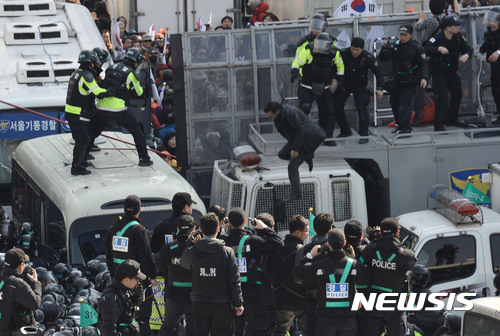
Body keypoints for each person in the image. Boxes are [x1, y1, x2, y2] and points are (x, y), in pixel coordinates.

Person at [179, 212, 244, 336]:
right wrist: (238, 303)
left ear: (201, 229)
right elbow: (234, 279)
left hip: (199, 302)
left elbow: (183, 262)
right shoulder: (227, 252)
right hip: (222, 303)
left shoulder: (195, 250)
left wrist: (191, 243)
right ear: (218, 229)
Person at [221, 207, 283, 336]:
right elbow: (278, 243)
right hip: (253, 291)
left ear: (229, 222)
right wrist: (265, 228)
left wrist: (224, 227)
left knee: (235, 328)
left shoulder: (223, 242)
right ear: (245, 221)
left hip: (230, 291)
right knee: (257, 327)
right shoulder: (253, 241)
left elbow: (210, 234)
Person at [295, 229, 368, 336]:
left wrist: (310, 255)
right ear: (344, 243)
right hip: (347, 319)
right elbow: (364, 279)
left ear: (328, 244)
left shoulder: (320, 265)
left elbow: (298, 275)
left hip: (325, 320)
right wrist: (353, 258)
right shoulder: (353, 265)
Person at [89, 48, 153, 167]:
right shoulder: (131, 73)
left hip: (102, 106)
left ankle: (85, 155)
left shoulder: (111, 67)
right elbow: (139, 93)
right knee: (137, 132)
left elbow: (105, 83)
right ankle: (144, 159)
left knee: (93, 131)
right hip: (118, 109)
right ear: (136, 62)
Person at [104, 195, 157, 336]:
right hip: (137, 280)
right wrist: (152, 277)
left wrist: (112, 275)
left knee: (122, 315)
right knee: (142, 317)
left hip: (118, 280)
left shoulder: (113, 228)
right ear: (139, 210)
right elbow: (147, 256)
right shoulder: (139, 230)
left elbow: (108, 254)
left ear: (124, 209)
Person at [360, 217, 417, 336]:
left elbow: (359, 265)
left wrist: (375, 240)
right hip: (395, 306)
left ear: (380, 232)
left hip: (374, 304)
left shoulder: (369, 250)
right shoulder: (406, 255)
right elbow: (411, 264)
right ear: (397, 233)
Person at [264, 102, 326, 201]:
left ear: (277, 111)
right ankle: (307, 156)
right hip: (298, 138)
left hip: (310, 138)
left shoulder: (290, 114)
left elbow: (301, 130)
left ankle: (296, 194)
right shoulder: (278, 117)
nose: (272, 119)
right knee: (282, 154)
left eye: (272, 116)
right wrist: (293, 146)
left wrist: (296, 149)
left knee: (292, 166)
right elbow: (288, 133)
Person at [291, 32, 344, 146]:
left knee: (330, 112)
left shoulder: (334, 52)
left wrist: (339, 80)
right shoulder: (308, 50)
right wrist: (294, 72)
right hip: (307, 84)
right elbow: (297, 61)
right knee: (305, 107)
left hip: (325, 85)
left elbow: (340, 66)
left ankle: (327, 137)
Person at [64, 50, 109, 175]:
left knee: (85, 139)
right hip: (79, 114)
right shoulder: (87, 76)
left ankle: (81, 162)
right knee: (82, 140)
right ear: (92, 63)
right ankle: (77, 167)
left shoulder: (77, 73)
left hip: (74, 113)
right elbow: (98, 93)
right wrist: (111, 90)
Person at [379, 24, 428, 135]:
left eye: (405, 35)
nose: (402, 37)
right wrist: (384, 49)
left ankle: (406, 128)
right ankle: (399, 125)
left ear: (411, 35)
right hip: (397, 79)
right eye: (401, 34)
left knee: (404, 103)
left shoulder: (417, 47)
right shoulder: (395, 45)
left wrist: (424, 78)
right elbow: (383, 59)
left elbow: (424, 64)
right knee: (394, 102)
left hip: (411, 80)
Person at [425, 16, 472, 131]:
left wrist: (466, 55)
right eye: (455, 26)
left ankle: (452, 118)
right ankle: (439, 124)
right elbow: (425, 48)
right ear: (448, 28)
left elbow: (468, 49)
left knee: (457, 93)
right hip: (439, 71)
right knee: (442, 95)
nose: (458, 27)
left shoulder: (458, 37)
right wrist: (438, 49)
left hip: (451, 70)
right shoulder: (437, 37)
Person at [294, 213, 334, 336]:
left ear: (314, 228)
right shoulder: (334, 249)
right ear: (330, 229)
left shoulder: (304, 250)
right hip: (331, 303)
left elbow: (297, 277)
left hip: (309, 302)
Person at [337, 37, 384, 144]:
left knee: (361, 108)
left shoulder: (368, 57)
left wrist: (380, 88)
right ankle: (345, 130)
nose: (354, 52)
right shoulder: (344, 53)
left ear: (362, 49)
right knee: (336, 106)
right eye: (352, 49)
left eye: (357, 50)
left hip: (360, 85)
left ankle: (363, 134)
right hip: (346, 83)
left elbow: (378, 73)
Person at [268, 215, 309, 336]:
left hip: (281, 297)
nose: (307, 234)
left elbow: (268, 269)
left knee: (280, 330)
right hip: (299, 298)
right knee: (308, 330)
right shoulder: (301, 250)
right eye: (306, 231)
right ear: (297, 232)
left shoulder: (277, 247)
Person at [157, 215, 197, 336]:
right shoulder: (199, 248)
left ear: (178, 229)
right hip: (194, 296)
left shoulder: (168, 248)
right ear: (194, 228)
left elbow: (160, 267)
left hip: (173, 296)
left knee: (168, 328)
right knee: (195, 329)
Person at [97, 259, 145, 336]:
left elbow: (134, 306)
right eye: (136, 279)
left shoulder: (124, 289)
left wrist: (138, 292)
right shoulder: (111, 299)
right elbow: (109, 331)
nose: (138, 281)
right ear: (126, 280)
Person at [0, 248, 41, 336]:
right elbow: (35, 303)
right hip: (16, 331)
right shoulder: (17, 283)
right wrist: (36, 283)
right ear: (21, 265)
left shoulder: (2, 280)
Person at [407, 265, 444, 336]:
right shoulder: (425, 293)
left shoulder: (423, 295)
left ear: (414, 281)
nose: (408, 276)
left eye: (410, 275)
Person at [480, 7, 500, 125]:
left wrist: (498, 52)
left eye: (494, 21)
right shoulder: (490, 33)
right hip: (495, 69)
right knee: (496, 91)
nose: (491, 24)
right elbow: (485, 47)